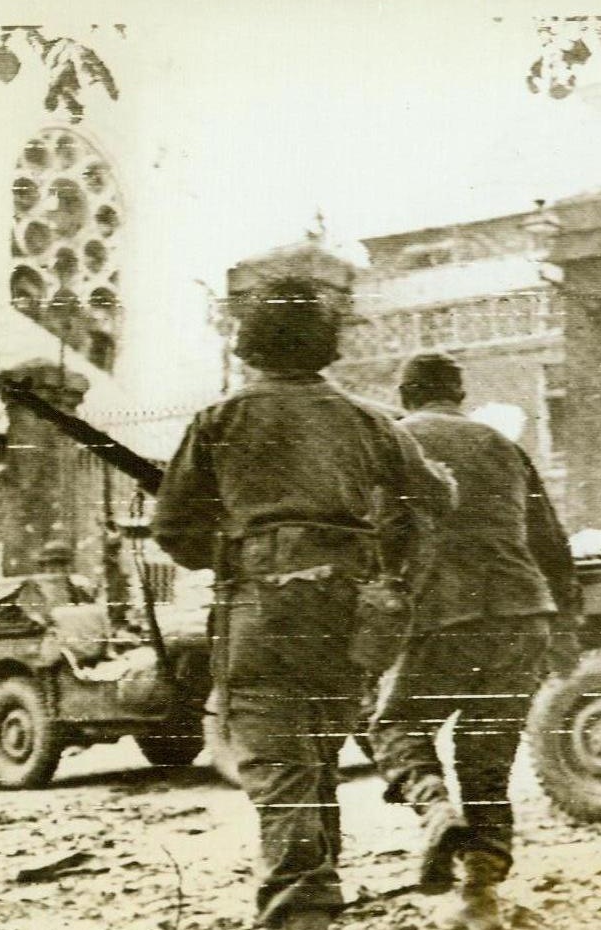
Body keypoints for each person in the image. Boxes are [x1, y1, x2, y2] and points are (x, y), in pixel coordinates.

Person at [152, 278, 454, 930]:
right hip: (348, 614)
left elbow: (173, 530)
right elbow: (438, 495)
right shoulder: (369, 419)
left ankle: (301, 917)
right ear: (326, 344)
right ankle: (319, 905)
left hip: (259, 612)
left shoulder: (221, 419)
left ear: (251, 341)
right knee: (316, 764)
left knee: (285, 777)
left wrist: (239, 548)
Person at [368, 351, 580, 930]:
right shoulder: (503, 447)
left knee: (395, 723)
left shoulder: (395, 439)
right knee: (486, 755)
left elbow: (381, 532)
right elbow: (551, 541)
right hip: (523, 611)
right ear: (458, 395)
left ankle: (434, 809)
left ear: (407, 393)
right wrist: (566, 623)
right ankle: (478, 897)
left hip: (443, 610)